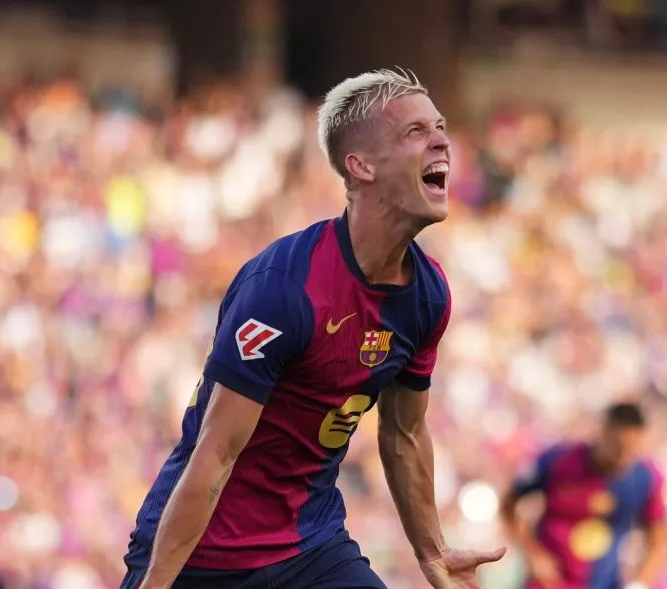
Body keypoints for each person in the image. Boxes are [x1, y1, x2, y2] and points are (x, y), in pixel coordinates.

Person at [122, 68, 506, 589]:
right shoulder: (285, 288)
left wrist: (432, 552)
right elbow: (216, 453)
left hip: (311, 548)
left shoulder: (427, 294)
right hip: (202, 555)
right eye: (416, 131)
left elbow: (404, 432)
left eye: (440, 127)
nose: (442, 139)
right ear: (360, 165)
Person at [499, 403, 667, 589]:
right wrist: (532, 552)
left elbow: (658, 539)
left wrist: (639, 583)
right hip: (549, 583)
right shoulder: (558, 460)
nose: (623, 457)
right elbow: (508, 504)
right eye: (618, 447)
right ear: (603, 432)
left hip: (603, 583)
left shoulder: (645, 478)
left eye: (632, 450)